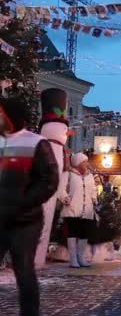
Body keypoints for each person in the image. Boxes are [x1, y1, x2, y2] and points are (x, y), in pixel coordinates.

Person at [0, 95, 59, 316]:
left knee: (23, 271)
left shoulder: (35, 142)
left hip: (24, 220)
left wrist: (23, 203)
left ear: (10, 116)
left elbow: (49, 180)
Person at [58, 152, 98, 268]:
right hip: (72, 209)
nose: (86, 163)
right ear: (77, 163)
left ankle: (81, 257)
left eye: (86, 161)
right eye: (84, 161)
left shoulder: (90, 175)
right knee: (72, 233)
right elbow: (61, 189)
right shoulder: (68, 174)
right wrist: (65, 198)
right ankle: (73, 259)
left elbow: (93, 190)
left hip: (87, 210)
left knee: (84, 234)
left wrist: (94, 199)